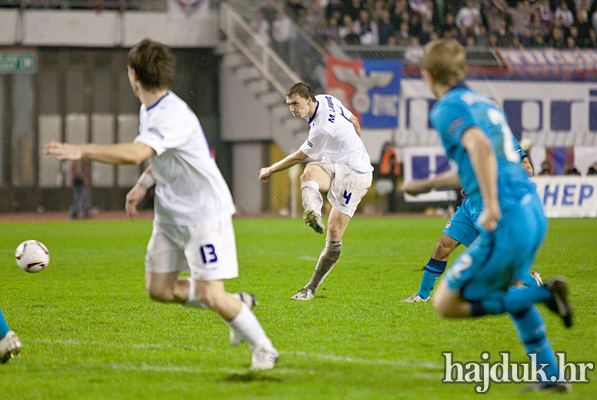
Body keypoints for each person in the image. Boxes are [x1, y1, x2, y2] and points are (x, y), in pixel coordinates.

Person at [44, 39, 278, 370]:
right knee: (159, 289)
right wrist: (143, 184)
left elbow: (137, 153)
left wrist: (82, 150)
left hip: (203, 216)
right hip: (170, 215)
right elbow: (160, 157)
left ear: (132, 74)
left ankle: (263, 347)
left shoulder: (171, 114)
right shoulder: (150, 109)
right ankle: (237, 304)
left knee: (211, 294)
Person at [421, 38, 572, 392]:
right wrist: (425, 183)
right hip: (531, 211)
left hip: (505, 217)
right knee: (510, 290)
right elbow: (485, 157)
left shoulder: (446, 107)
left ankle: (545, 295)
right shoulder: (485, 105)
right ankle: (551, 377)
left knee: (446, 303)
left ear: (428, 76)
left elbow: (480, 147)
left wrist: (489, 205)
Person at [259, 82, 373, 301]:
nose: (292, 109)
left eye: (296, 103)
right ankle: (313, 212)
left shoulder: (321, 127)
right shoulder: (327, 98)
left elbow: (298, 156)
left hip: (355, 174)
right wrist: (358, 146)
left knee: (334, 234)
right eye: (289, 104)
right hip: (333, 160)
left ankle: (312, 286)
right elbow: (354, 120)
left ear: (309, 100)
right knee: (308, 175)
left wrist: (270, 169)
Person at [400, 128, 542, 302]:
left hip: (491, 208)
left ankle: (534, 283)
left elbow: (527, 170)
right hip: (470, 207)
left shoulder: (504, 141)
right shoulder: (471, 138)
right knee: (443, 245)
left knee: (495, 264)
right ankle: (422, 296)